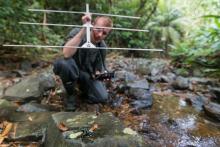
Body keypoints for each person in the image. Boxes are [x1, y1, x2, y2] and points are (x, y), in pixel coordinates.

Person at [53, 14, 113, 111]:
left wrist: (100, 75)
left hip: (85, 75)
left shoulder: (102, 47)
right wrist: (84, 29)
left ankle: (82, 90)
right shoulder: (78, 31)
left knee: (102, 97)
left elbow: (98, 69)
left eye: (104, 33)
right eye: (98, 29)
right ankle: (70, 94)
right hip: (70, 68)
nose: (100, 35)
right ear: (92, 25)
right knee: (64, 64)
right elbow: (66, 54)